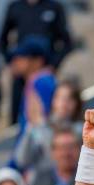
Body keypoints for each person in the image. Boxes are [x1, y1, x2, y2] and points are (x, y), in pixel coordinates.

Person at [0, 0, 73, 124]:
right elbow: (1, 40)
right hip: (26, 77)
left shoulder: (54, 6)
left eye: (20, 57)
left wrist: (53, 65)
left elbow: (67, 42)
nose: (17, 60)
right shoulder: (15, 7)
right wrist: (11, 63)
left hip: (43, 69)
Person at [9, 36, 57, 169]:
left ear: (38, 61)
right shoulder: (37, 81)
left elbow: (39, 123)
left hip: (37, 159)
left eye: (22, 57)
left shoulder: (42, 81)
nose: (15, 62)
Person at [14, 80, 82, 172]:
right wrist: (32, 127)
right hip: (43, 183)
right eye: (60, 97)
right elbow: (21, 160)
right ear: (53, 101)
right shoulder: (39, 127)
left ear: (76, 103)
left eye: (69, 99)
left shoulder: (81, 130)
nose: (64, 103)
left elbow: (62, 163)